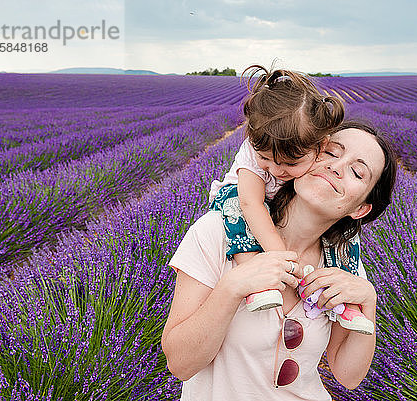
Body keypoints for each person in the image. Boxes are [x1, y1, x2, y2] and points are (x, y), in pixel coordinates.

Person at [162, 121, 398, 400]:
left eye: (357, 172)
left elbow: (348, 376)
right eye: (331, 153)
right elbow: (180, 365)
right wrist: (233, 286)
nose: (336, 167)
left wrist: (368, 301)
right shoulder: (217, 232)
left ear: (360, 209)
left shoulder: (344, 265)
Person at [208, 65, 372, 333]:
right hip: (242, 204)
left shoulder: (314, 149)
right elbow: (251, 203)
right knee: (237, 210)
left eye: (289, 164)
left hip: (276, 206)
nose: (274, 169)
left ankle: (345, 304)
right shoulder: (253, 153)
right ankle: (258, 284)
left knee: (342, 234)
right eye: (266, 159)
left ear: (320, 147)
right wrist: (281, 256)